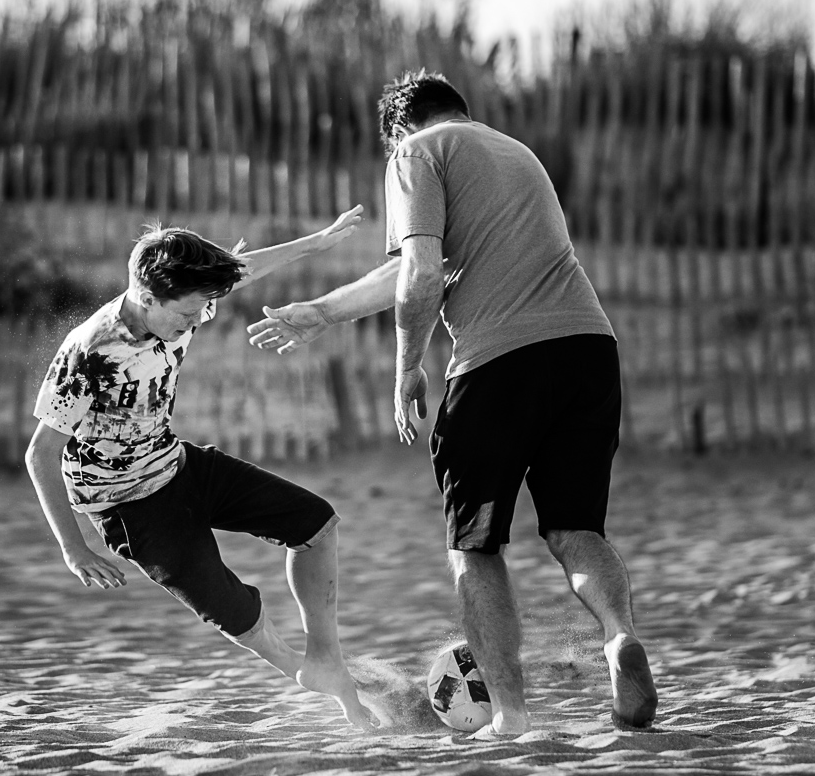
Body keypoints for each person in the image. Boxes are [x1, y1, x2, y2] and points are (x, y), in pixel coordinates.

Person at [246, 70, 657, 736]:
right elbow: (421, 264)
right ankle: (618, 638)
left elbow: (422, 273)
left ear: (399, 130)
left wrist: (408, 367)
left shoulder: (414, 153)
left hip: (498, 362)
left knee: (475, 548)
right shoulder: (512, 153)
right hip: (589, 351)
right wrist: (321, 311)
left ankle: (512, 718)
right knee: (576, 531)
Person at [25, 207, 379, 732]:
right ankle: (323, 685)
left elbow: (242, 267)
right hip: (126, 506)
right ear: (147, 298)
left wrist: (317, 243)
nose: (196, 322)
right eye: (186, 315)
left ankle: (325, 656)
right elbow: (39, 454)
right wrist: (74, 548)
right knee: (236, 611)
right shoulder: (91, 351)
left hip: (180, 464)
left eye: (200, 310)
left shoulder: (181, 297)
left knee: (317, 523)